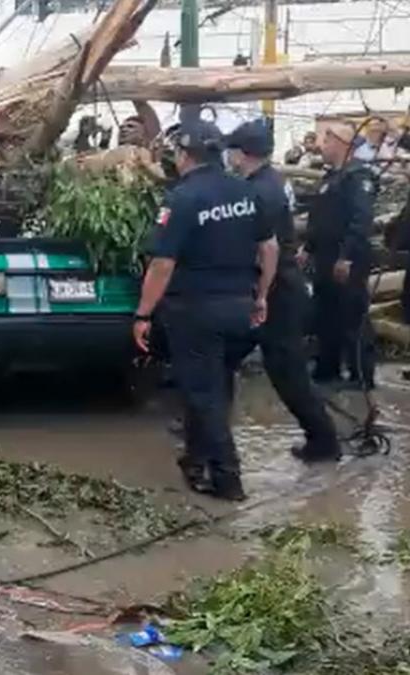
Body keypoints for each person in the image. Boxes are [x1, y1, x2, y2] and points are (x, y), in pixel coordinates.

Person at [133, 121, 279, 501]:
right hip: (241, 309)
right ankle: (194, 460)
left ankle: (228, 480)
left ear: (183, 155)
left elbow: (162, 264)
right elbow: (270, 248)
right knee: (215, 386)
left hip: (197, 312)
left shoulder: (182, 199)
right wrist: (261, 295)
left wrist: (143, 314)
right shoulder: (246, 191)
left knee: (205, 395)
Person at [225, 120, 342, 462]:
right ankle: (205, 422)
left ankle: (324, 440)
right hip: (278, 287)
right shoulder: (270, 181)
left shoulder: (260, 191)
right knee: (229, 355)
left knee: (288, 375)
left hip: (277, 291)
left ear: (243, 154)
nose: (230, 157)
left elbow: (266, 249)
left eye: (233, 150)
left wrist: (260, 294)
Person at [305, 123, 378, 390]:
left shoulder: (358, 177)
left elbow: (361, 220)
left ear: (340, 142)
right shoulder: (330, 178)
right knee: (326, 315)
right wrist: (308, 248)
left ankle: (361, 375)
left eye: (326, 140)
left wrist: (347, 256)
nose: (321, 145)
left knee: (352, 315)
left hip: (347, 259)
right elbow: (321, 219)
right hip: (324, 258)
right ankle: (327, 368)